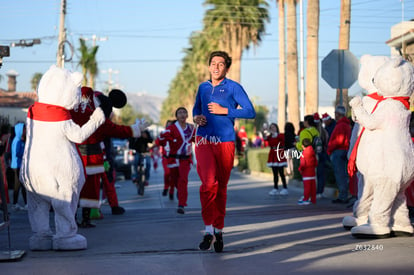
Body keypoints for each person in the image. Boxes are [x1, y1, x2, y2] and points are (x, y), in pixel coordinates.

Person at [192, 50, 256, 253]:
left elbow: (250, 111)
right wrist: (196, 118)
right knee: (208, 183)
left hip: (225, 141)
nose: (216, 67)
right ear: (209, 66)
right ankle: (208, 230)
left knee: (221, 188)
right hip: (204, 139)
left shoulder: (234, 87)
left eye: (221, 64)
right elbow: (196, 108)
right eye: (213, 63)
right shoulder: (203, 87)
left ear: (226, 68)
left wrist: (225, 111)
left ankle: (219, 231)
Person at [156, 107, 195, 214]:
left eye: (184, 112)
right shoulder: (172, 128)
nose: (182, 114)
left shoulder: (192, 128)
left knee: (183, 181)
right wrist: (162, 139)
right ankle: (179, 191)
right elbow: (160, 141)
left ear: (187, 115)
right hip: (173, 160)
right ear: (176, 116)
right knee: (175, 180)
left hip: (185, 160)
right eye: (180, 113)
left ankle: (181, 204)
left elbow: (198, 140)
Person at [327, 105, 352, 203]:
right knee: (343, 174)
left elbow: (339, 140)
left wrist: (330, 148)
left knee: (340, 174)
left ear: (338, 114)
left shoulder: (341, 125)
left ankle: (343, 196)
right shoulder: (346, 125)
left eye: (335, 113)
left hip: (338, 151)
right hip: (344, 150)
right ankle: (344, 194)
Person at [263, 123, 288, 195]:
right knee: (275, 173)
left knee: (281, 172)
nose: (272, 129)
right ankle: (275, 188)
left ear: (276, 128)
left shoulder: (280, 135)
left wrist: (275, 134)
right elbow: (265, 139)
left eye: (273, 127)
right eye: (271, 128)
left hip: (279, 153)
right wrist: (264, 130)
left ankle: (285, 187)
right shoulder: (270, 137)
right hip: (273, 154)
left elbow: (283, 141)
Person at [10, 122, 27, 211]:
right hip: (17, 165)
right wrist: (24, 154)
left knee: (22, 185)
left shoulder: (20, 140)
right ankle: (15, 203)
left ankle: (25, 203)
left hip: (19, 165)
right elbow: (16, 153)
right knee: (18, 185)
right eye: (24, 129)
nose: (25, 130)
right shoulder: (17, 141)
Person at [313, 113, 330, 199]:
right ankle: (320, 191)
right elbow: (327, 142)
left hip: (313, 154)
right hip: (322, 154)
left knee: (313, 174)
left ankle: (314, 192)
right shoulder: (324, 131)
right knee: (321, 174)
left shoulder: (312, 132)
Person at [298, 138, 318, 205]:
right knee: (313, 188)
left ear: (303, 146)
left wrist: (300, 169)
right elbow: (315, 162)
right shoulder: (312, 151)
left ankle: (306, 199)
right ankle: (313, 199)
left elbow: (303, 164)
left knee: (307, 188)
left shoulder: (304, 153)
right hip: (312, 172)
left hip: (306, 173)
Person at [159, 120, 174, 199]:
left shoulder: (175, 133)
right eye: (167, 125)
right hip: (165, 157)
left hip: (173, 158)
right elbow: (158, 142)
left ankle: (171, 191)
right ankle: (166, 187)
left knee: (172, 175)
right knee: (167, 173)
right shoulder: (163, 134)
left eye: (170, 125)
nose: (169, 127)